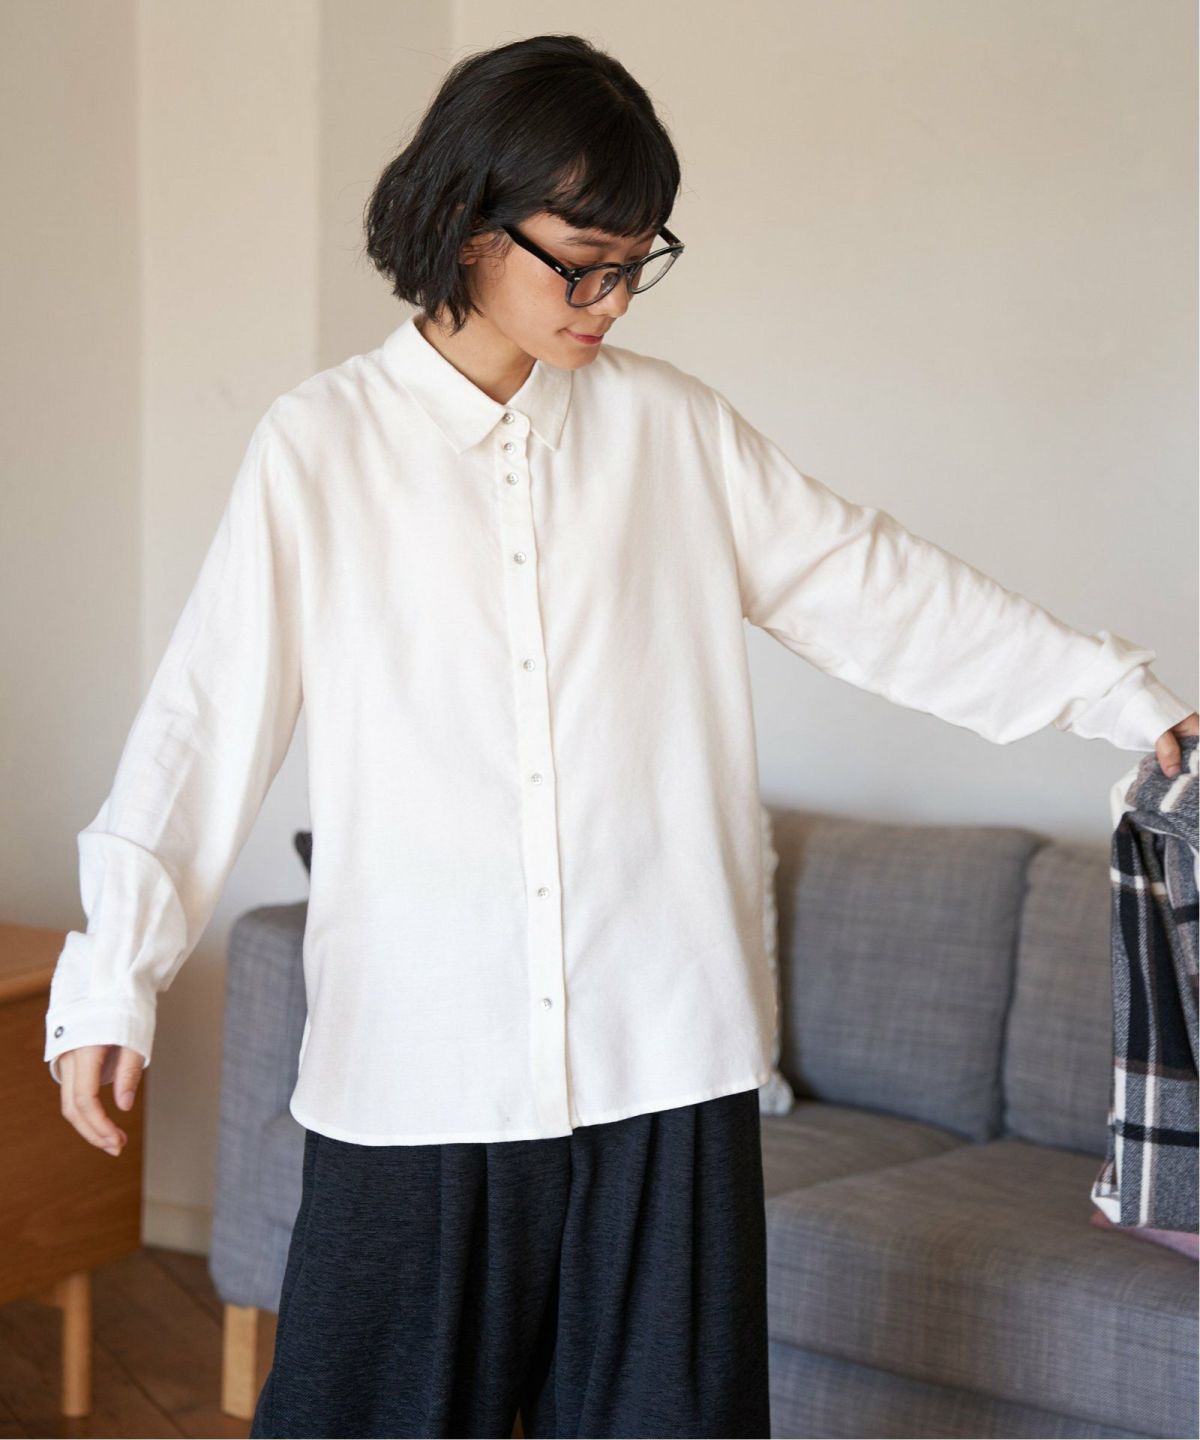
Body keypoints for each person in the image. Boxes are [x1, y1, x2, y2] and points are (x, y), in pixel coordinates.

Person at [43, 31, 1197, 1440]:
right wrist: (115, 977)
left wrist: (1122, 694)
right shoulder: (319, 447)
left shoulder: (674, 432)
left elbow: (878, 590)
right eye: (583, 263)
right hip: (418, 1066)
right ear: (470, 222)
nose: (609, 301)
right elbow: (204, 719)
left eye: (636, 266)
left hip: (667, 1061)